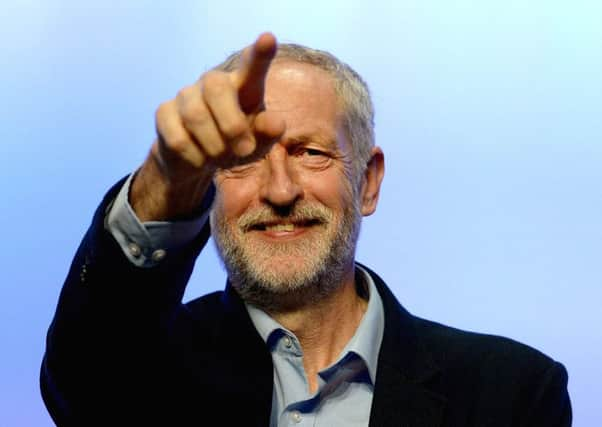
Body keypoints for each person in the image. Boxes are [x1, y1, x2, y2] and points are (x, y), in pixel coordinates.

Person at [41, 33, 571, 426]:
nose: (279, 190)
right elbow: (81, 381)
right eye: (242, 160)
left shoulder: (514, 394)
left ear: (368, 182)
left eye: (310, 153)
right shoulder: (141, 373)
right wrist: (164, 182)